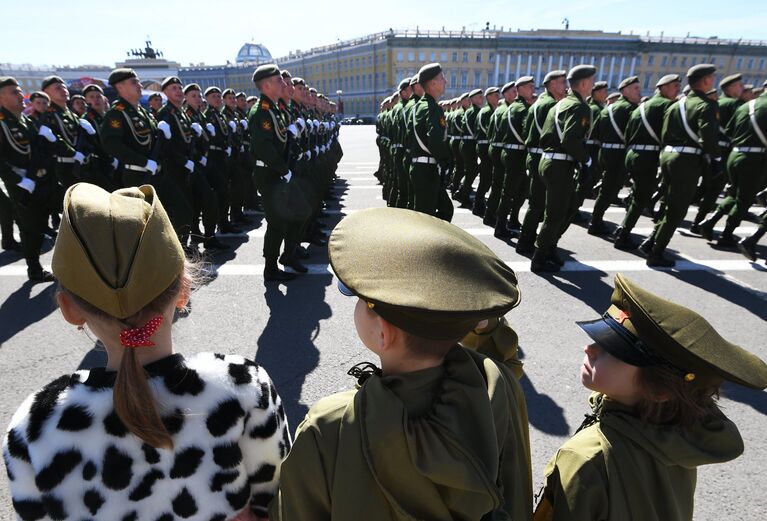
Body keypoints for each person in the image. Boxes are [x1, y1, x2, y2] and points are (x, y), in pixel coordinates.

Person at [2, 182, 291, 520]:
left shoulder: (34, 423)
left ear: (69, 310)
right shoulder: (243, 386)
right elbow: (275, 498)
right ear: (184, 290)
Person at [270, 206, 531, 520]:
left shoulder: (331, 425)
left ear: (383, 333)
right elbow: (500, 359)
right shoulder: (495, 385)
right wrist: (466, 316)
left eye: (361, 300)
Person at [533, 273, 767, 521]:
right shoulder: (679, 435)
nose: (589, 348)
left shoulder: (584, 457)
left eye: (614, 349)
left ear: (659, 391)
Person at [639, 64, 721, 267]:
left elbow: (664, 134)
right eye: (711, 78)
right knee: (676, 209)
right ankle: (656, 253)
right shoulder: (706, 105)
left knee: (667, 202)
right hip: (686, 161)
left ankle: (651, 241)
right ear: (705, 81)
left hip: (668, 156)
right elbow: (709, 137)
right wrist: (716, 159)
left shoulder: (676, 105)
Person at [532, 65, 595, 272]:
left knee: (564, 209)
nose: (593, 85)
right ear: (584, 83)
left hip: (550, 161)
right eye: (592, 82)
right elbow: (570, 139)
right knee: (556, 214)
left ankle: (549, 248)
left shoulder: (559, 104)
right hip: (560, 164)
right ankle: (539, 257)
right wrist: (586, 161)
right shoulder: (579, 107)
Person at [0, 76, 59, 281]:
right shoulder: (2, 123)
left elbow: (40, 151)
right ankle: (34, 269)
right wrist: (19, 181)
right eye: (14, 92)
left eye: (19, 91)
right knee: (30, 227)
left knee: (42, 221)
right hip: (21, 183)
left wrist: (51, 139)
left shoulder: (25, 121)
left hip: (39, 180)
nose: (20, 95)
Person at [613, 74, 680, 250]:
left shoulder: (640, 108)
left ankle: (623, 229)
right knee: (640, 198)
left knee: (638, 195)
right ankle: (624, 234)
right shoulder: (668, 106)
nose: (678, 89)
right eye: (674, 86)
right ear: (663, 87)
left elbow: (627, 134)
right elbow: (670, 134)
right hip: (648, 157)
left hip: (633, 155)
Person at [249, 64, 302, 281]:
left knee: (283, 217)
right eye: (279, 80)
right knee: (276, 220)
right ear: (267, 84)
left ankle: (278, 261)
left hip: (277, 172)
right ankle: (270, 268)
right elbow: (264, 147)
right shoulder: (261, 111)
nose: (283, 84)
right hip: (268, 173)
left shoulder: (274, 109)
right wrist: (284, 170)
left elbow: (279, 142)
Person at [698, 88, 767, 246]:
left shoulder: (746, 106)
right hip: (754, 159)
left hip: (734, 155)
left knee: (733, 193)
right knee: (744, 199)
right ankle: (726, 235)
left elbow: (729, 131)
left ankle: (709, 222)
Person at [517, 70, 567, 255]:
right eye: (562, 82)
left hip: (534, 155)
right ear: (552, 84)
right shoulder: (551, 105)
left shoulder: (537, 104)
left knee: (536, 202)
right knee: (541, 204)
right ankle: (530, 241)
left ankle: (526, 239)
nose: (566, 86)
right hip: (543, 156)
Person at [588, 76, 641, 236]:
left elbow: (594, 133)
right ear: (625, 91)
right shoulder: (631, 109)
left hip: (604, 152)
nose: (639, 91)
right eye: (635, 89)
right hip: (619, 154)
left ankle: (596, 220)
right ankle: (595, 221)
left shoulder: (607, 109)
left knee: (606, 188)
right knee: (609, 189)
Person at [408, 63, 454, 221]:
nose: (445, 81)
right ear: (433, 83)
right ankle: (420, 246)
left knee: (444, 210)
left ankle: (436, 245)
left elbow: (408, 138)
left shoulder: (417, 107)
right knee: (425, 219)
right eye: (442, 78)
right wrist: (446, 161)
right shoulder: (433, 108)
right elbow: (435, 139)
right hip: (427, 169)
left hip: (420, 167)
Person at [100, 68, 159, 188]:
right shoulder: (117, 113)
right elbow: (111, 144)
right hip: (135, 174)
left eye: (138, 82)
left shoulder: (143, 112)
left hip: (154, 172)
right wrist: (144, 162)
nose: (140, 85)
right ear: (120, 87)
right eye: (134, 82)